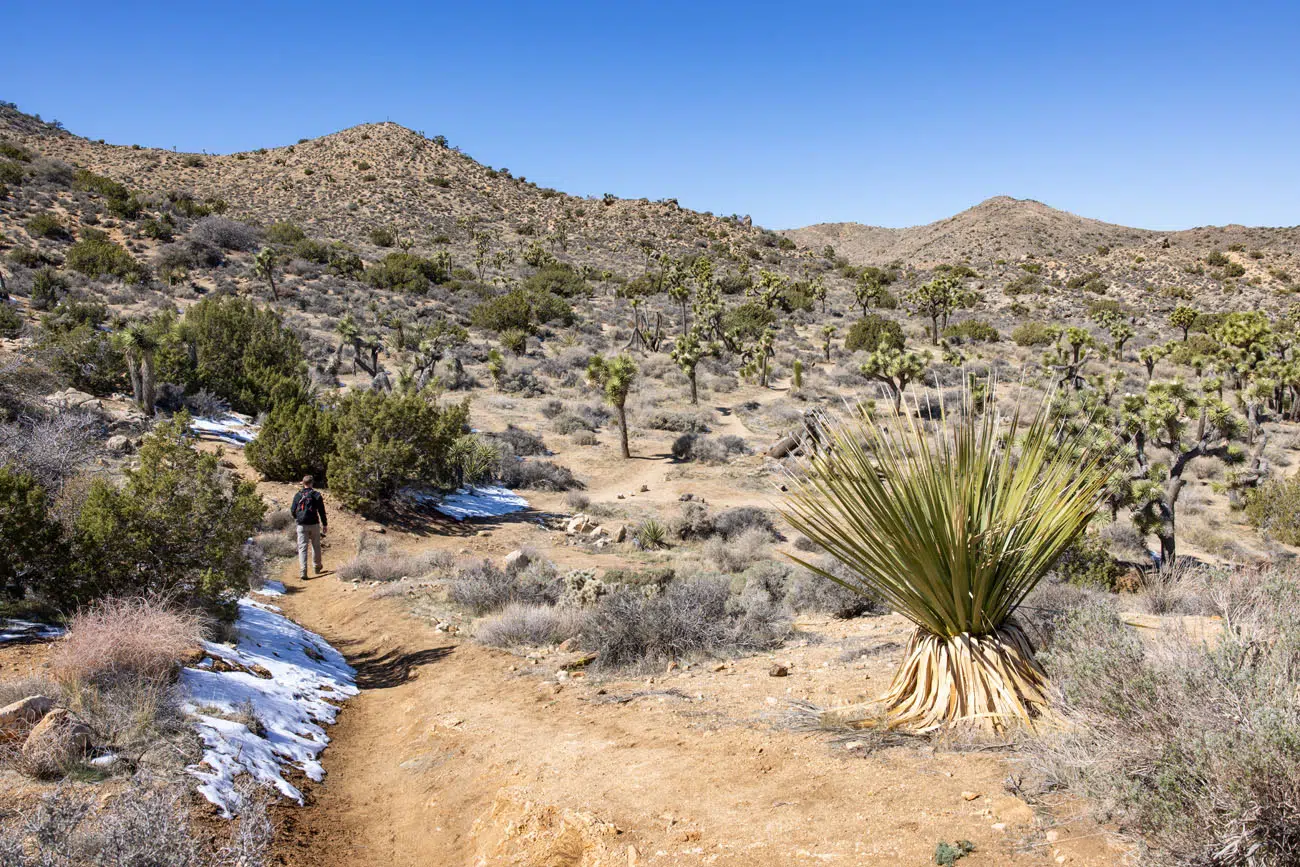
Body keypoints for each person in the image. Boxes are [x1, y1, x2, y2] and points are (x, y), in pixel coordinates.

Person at [291, 475, 328, 579]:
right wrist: (324, 524)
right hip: (314, 524)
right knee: (316, 545)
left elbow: (292, 510)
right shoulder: (316, 495)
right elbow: (321, 511)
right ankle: (317, 566)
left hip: (301, 525)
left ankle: (303, 571)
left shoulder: (298, 495)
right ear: (312, 483)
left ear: (303, 483)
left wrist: (297, 519)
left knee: (302, 548)